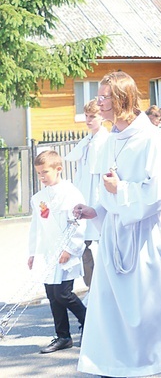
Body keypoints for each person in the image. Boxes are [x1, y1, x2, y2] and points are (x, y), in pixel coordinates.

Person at [75, 71, 161, 378]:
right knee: (111, 306)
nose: (97, 103)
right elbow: (107, 187)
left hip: (144, 235)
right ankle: (113, 364)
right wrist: (96, 210)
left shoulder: (151, 138)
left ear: (120, 99)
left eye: (103, 97)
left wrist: (122, 191)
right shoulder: (109, 139)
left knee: (150, 305)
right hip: (115, 233)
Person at [28, 150, 87, 354]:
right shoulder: (38, 198)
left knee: (63, 294)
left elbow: (79, 223)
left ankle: (88, 321)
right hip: (47, 252)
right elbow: (36, 227)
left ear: (58, 169)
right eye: (39, 174)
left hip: (64, 251)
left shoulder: (71, 193)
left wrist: (70, 248)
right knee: (52, 295)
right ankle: (63, 336)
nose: (42, 177)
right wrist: (33, 253)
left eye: (45, 172)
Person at [65, 99, 109, 288]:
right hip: (84, 192)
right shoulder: (88, 139)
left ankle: (105, 284)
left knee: (102, 240)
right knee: (83, 242)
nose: (89, 120)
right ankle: (92, 285)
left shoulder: (105, 140)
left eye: (93, 116)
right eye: (87, 116)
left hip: (97, 193)